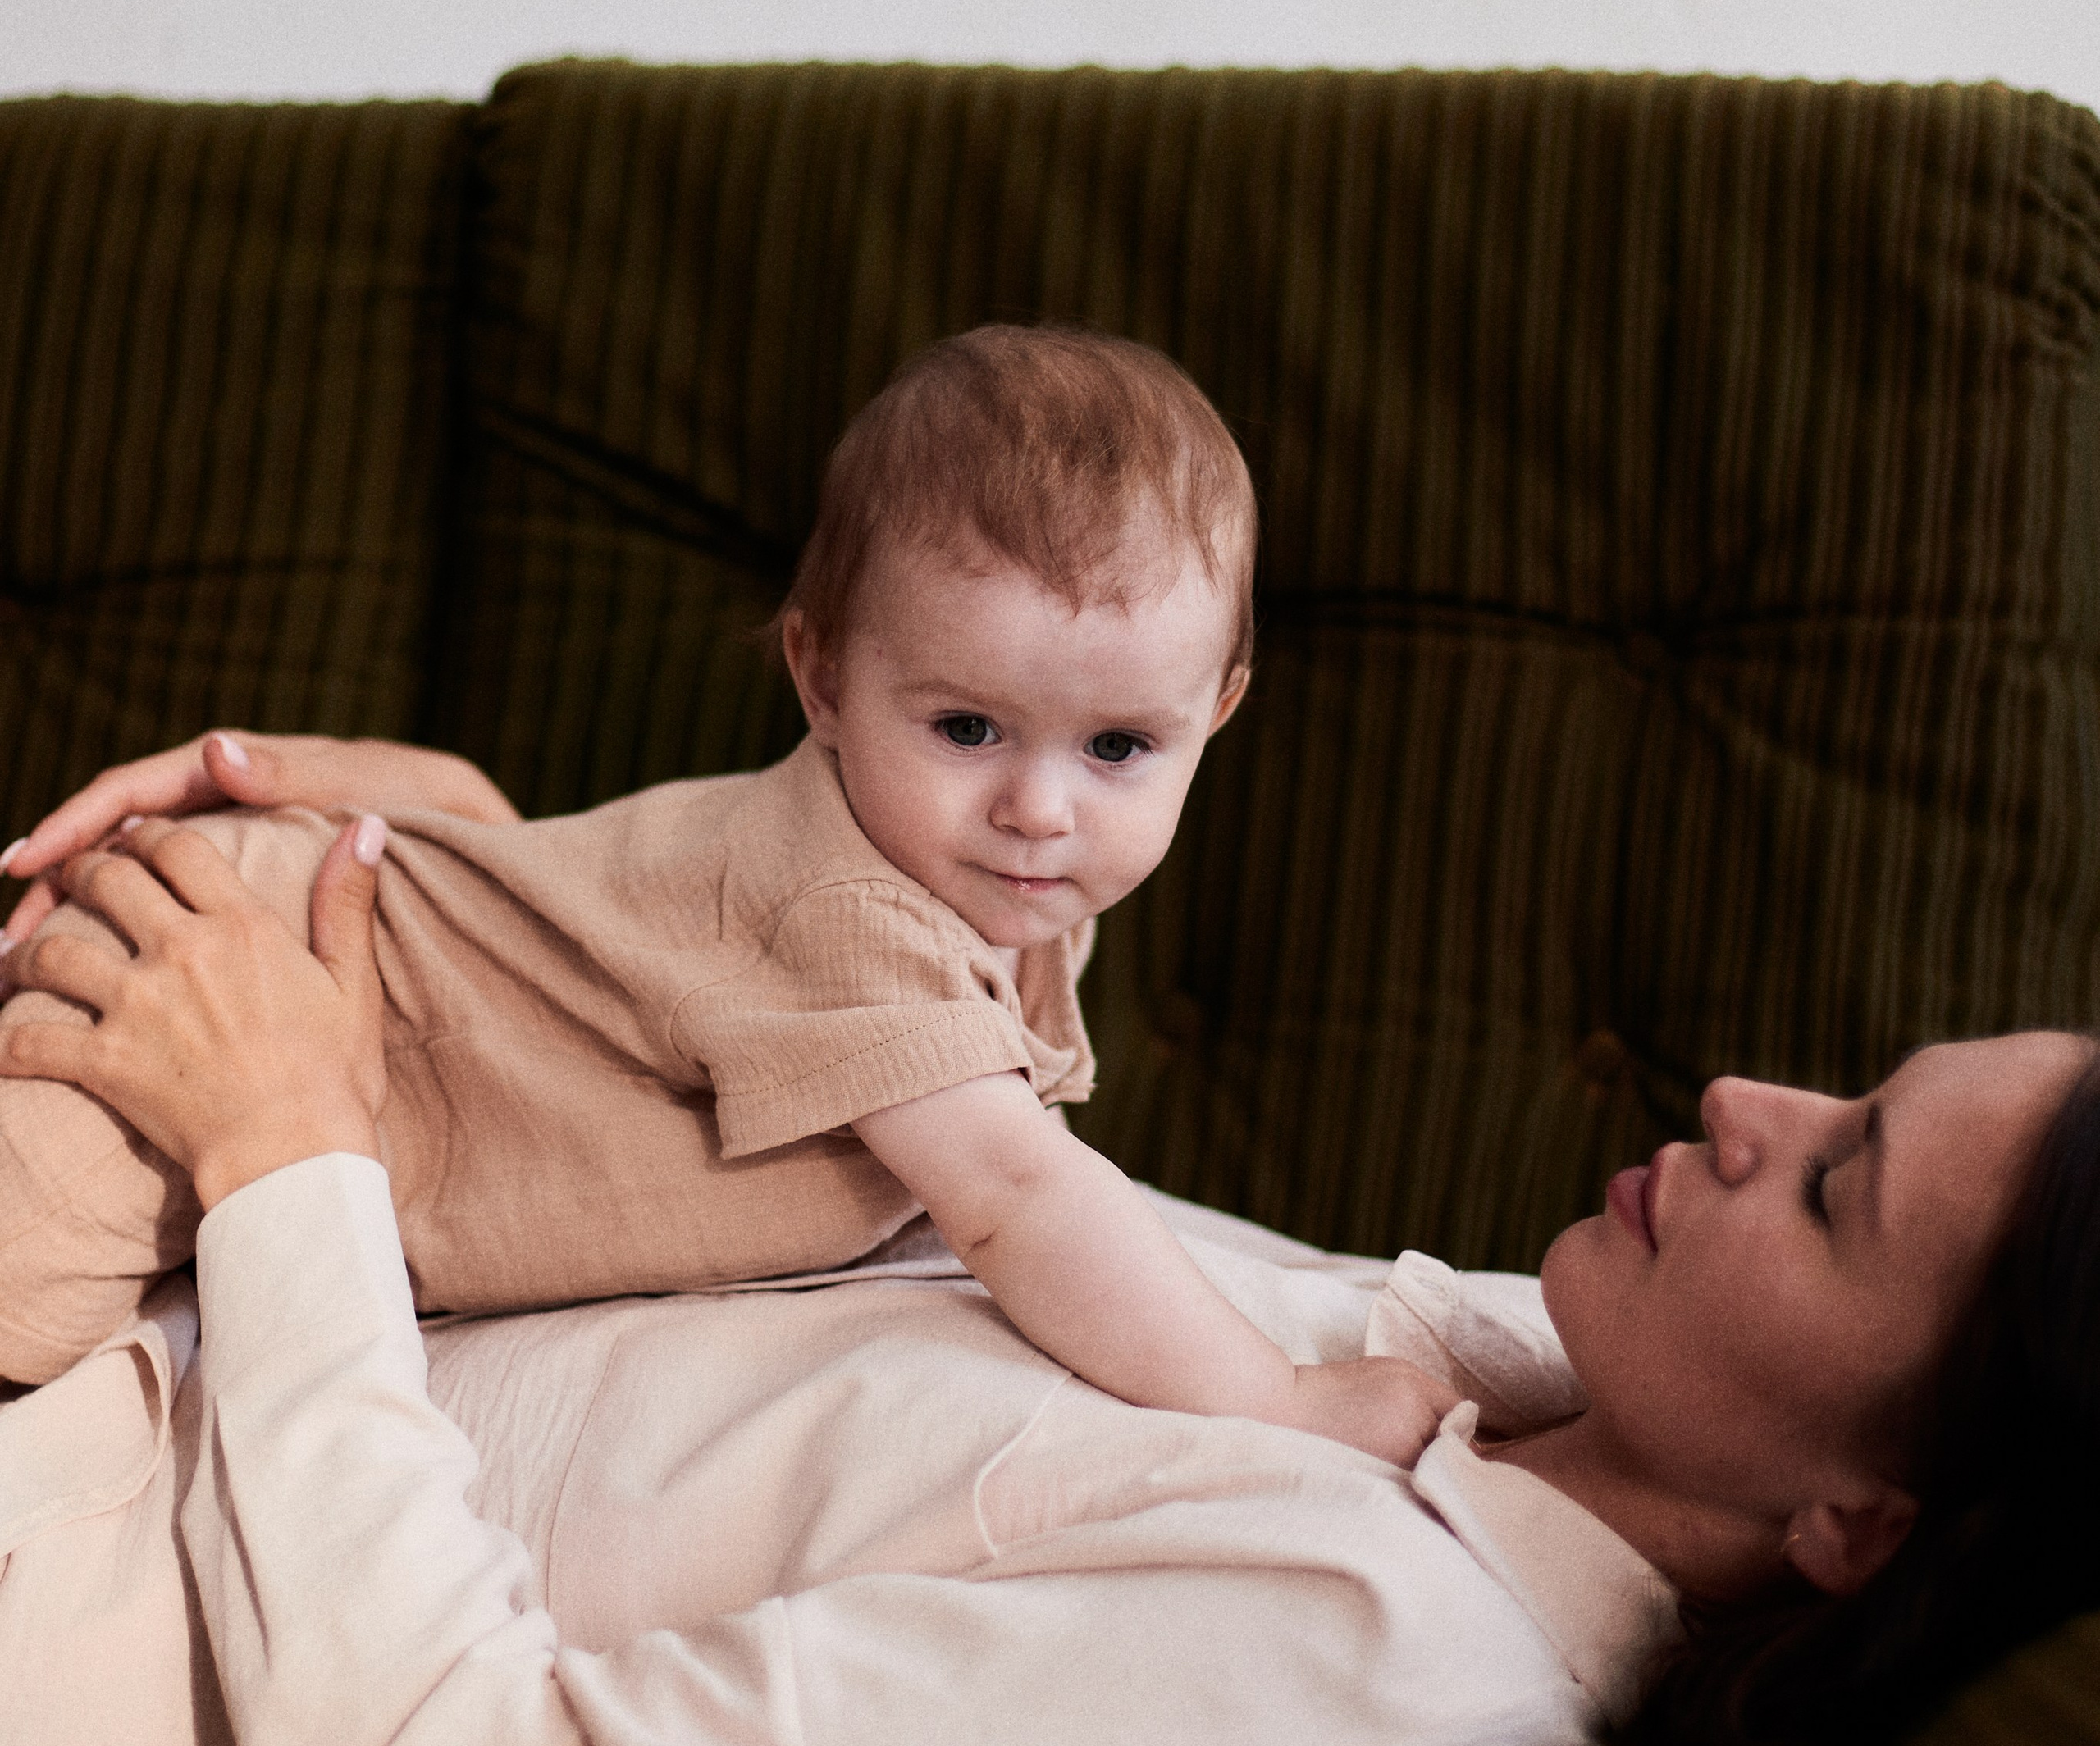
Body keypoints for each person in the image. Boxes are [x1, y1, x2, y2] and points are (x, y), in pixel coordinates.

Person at [3, 741, 2097, 1746]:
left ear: (1855, 1515)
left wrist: (290, 1149)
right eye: (1847, 1085)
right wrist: (493, 892)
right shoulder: (1475, 1371)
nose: (1750, 1102)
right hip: (152, 1265)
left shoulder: (1367, 1669)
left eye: (1838, 1185)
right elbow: (875, 1213)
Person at [0, 325, 1450, 1465]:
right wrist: (1275, 1400)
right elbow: (1017, 1195)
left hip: (347, 1003)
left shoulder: (989, 885)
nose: (1038, 806)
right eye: (965, 729)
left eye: (1122, 747)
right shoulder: (855, 911)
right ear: (820, 678)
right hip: (247, 967)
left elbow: (578, 924)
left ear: (1219, 712)